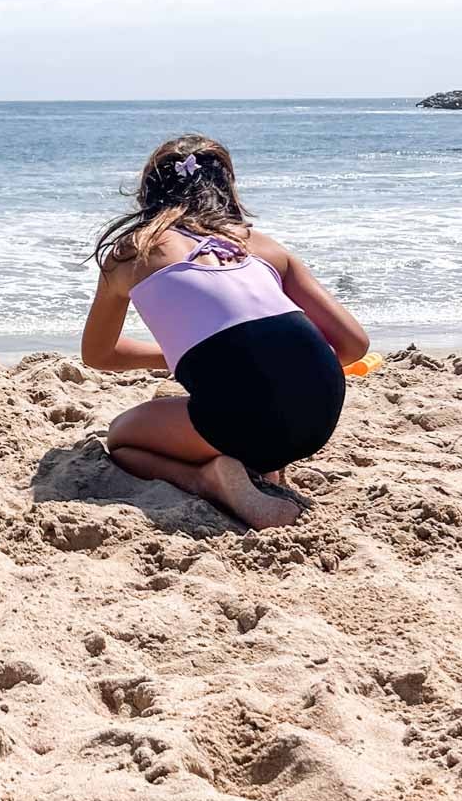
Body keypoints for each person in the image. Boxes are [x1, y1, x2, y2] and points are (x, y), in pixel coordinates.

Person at [80, 134, 368, 530]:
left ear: (148, 193)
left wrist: (177, 355)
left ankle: (207, 479)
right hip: (321, 414)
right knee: (251, 400)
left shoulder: (132, 252)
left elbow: (99, 354)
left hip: (240, 419)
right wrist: (278, 373)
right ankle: (261, 466)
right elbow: (355, 344)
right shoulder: (261, 245)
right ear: (227, 188)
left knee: (122, 439)